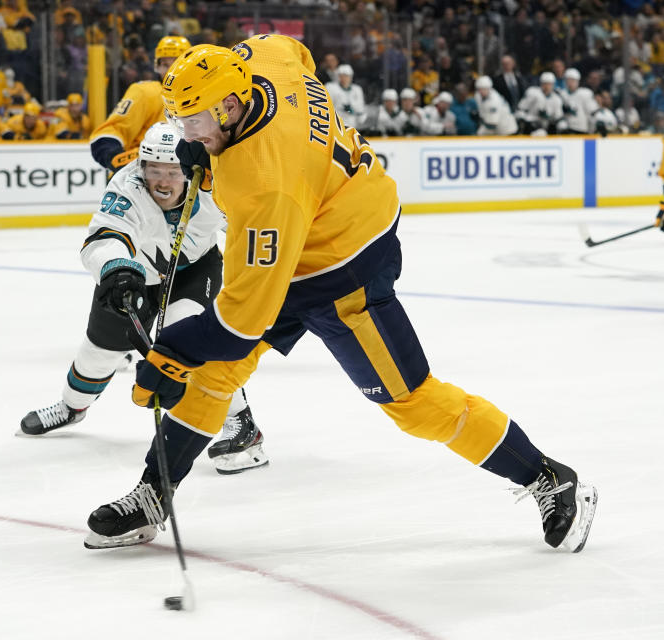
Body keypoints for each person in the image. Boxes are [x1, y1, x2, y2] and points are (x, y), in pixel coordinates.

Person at [83, 36, 598, 555]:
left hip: (341, 265)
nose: (184, 135)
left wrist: (173, 350)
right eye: (180, 119)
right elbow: (295, 49)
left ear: (230, 105)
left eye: (194, 121)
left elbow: (240, 324)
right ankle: (153, 494)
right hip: (317, 222)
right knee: (215, 375)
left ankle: (547, 475)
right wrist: (208, 147)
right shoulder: (262, 61)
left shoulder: (266, 184)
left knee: (412, 403)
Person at [19, 122, 268, 476]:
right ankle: (73, 406)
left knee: (192, 341)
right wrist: (117, 269)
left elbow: (257, 222)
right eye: (154, 170)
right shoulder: (127, 184)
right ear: (142, 166)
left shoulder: (218, 185)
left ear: (188, 168)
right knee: (97, 354)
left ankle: (243, 424)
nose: (162, 181)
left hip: (193, 272)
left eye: (172, 171)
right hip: (135, 278)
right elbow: (106, 233)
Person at [90, 35, 190, 173]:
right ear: (157, 67)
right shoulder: (145, 92)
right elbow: (108, 134)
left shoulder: (203, 99)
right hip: (141, 175)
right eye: (165, 65)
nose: (170, 71)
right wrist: (115, 156)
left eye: (177, 64)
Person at [556, 68, 597, 134]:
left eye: (573, 80)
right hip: (567, 129)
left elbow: (592, 113)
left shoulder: (585, 93)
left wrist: (591, 129)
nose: (570, 83)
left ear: (578, 81)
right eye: (568, 80)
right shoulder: (561, 94)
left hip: (581, 129)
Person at [325, 63, 365, 130]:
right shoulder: (330, 87)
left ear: (351, 76)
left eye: (346, 76)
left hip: (353, 125)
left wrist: (352, 108)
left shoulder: (357, 89)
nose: (344, 78)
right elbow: (327, 106)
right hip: (336, 124)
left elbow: (361, 109)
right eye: (341, 76)